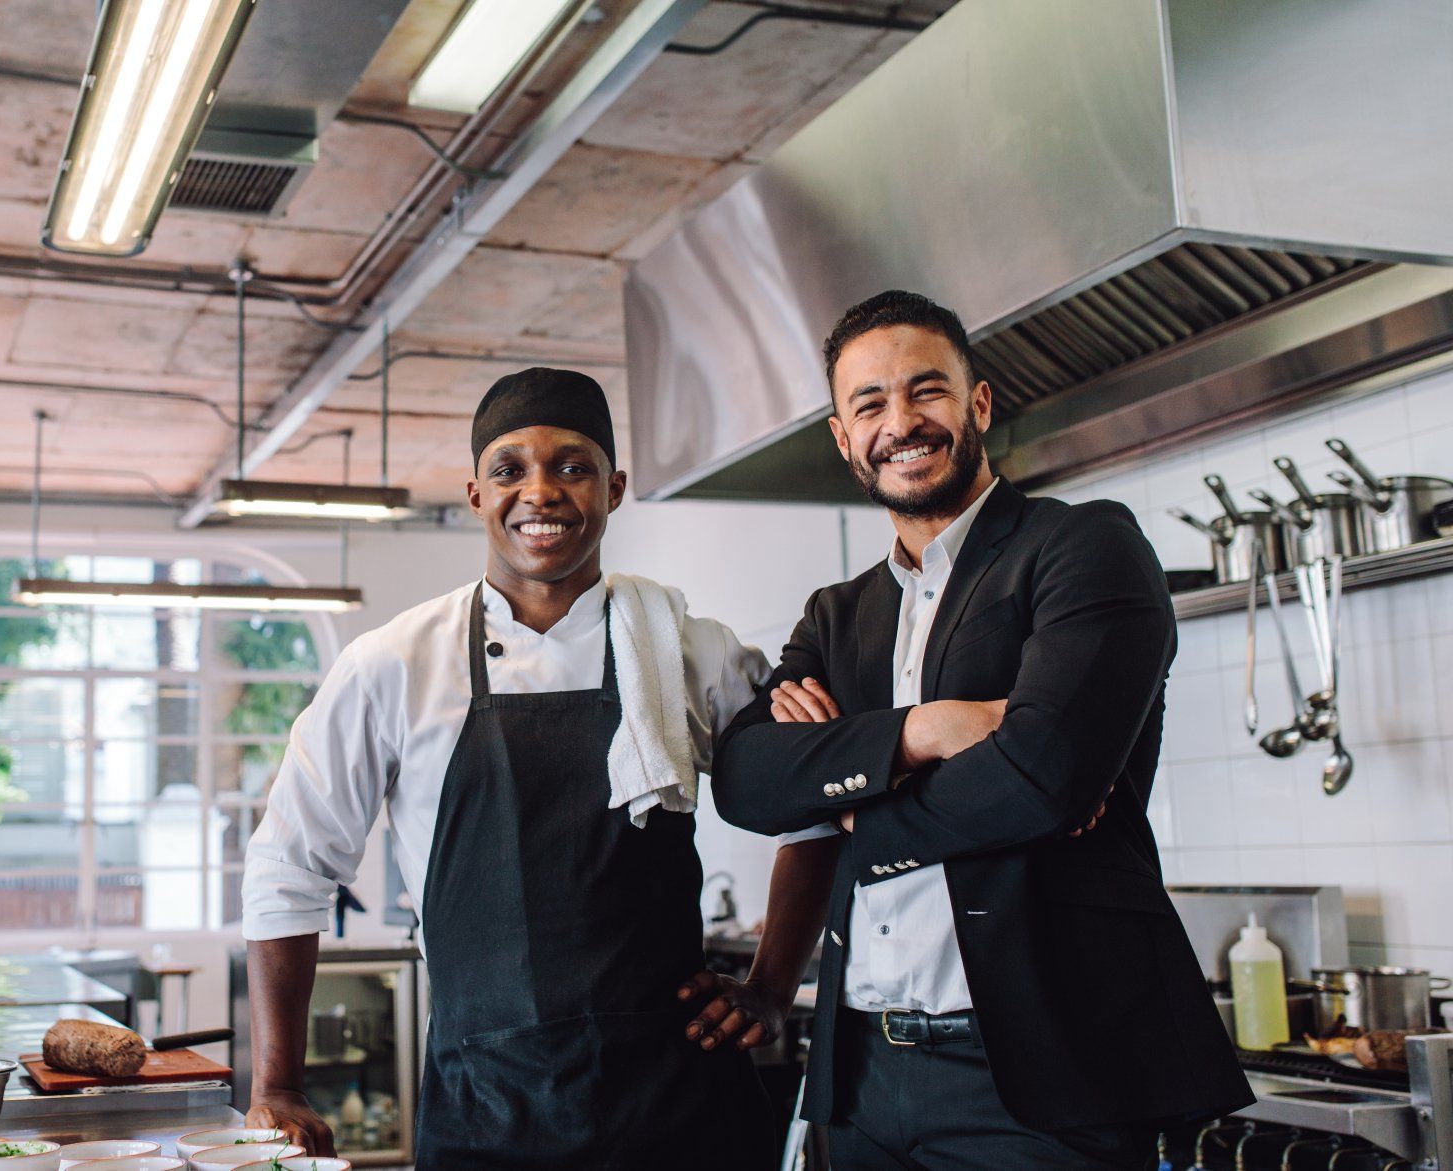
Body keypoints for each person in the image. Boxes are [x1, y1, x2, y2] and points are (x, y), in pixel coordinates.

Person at [239, 368, 831, 1169]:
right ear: (477, 493)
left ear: (615, 487)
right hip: (488, 1112)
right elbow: (288, 865)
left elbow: (815, 803)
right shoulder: (392, 665)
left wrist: (770, 983)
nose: (541, 492)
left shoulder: (695, 650)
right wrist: (278, 1082)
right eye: (511, 469)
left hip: (681, 1107)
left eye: (573, 466)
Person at [713, 291, 1252, 1169]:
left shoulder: (1081, 547)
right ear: (844, 439)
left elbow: (1045, 774)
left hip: (1039, 1081)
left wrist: (855, 804)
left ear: (980, 405)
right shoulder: (837, 616)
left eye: (927, 391)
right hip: (859, 1073)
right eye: (870, 404)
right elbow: (745, 779)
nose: (902, 422)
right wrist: (923, 732)